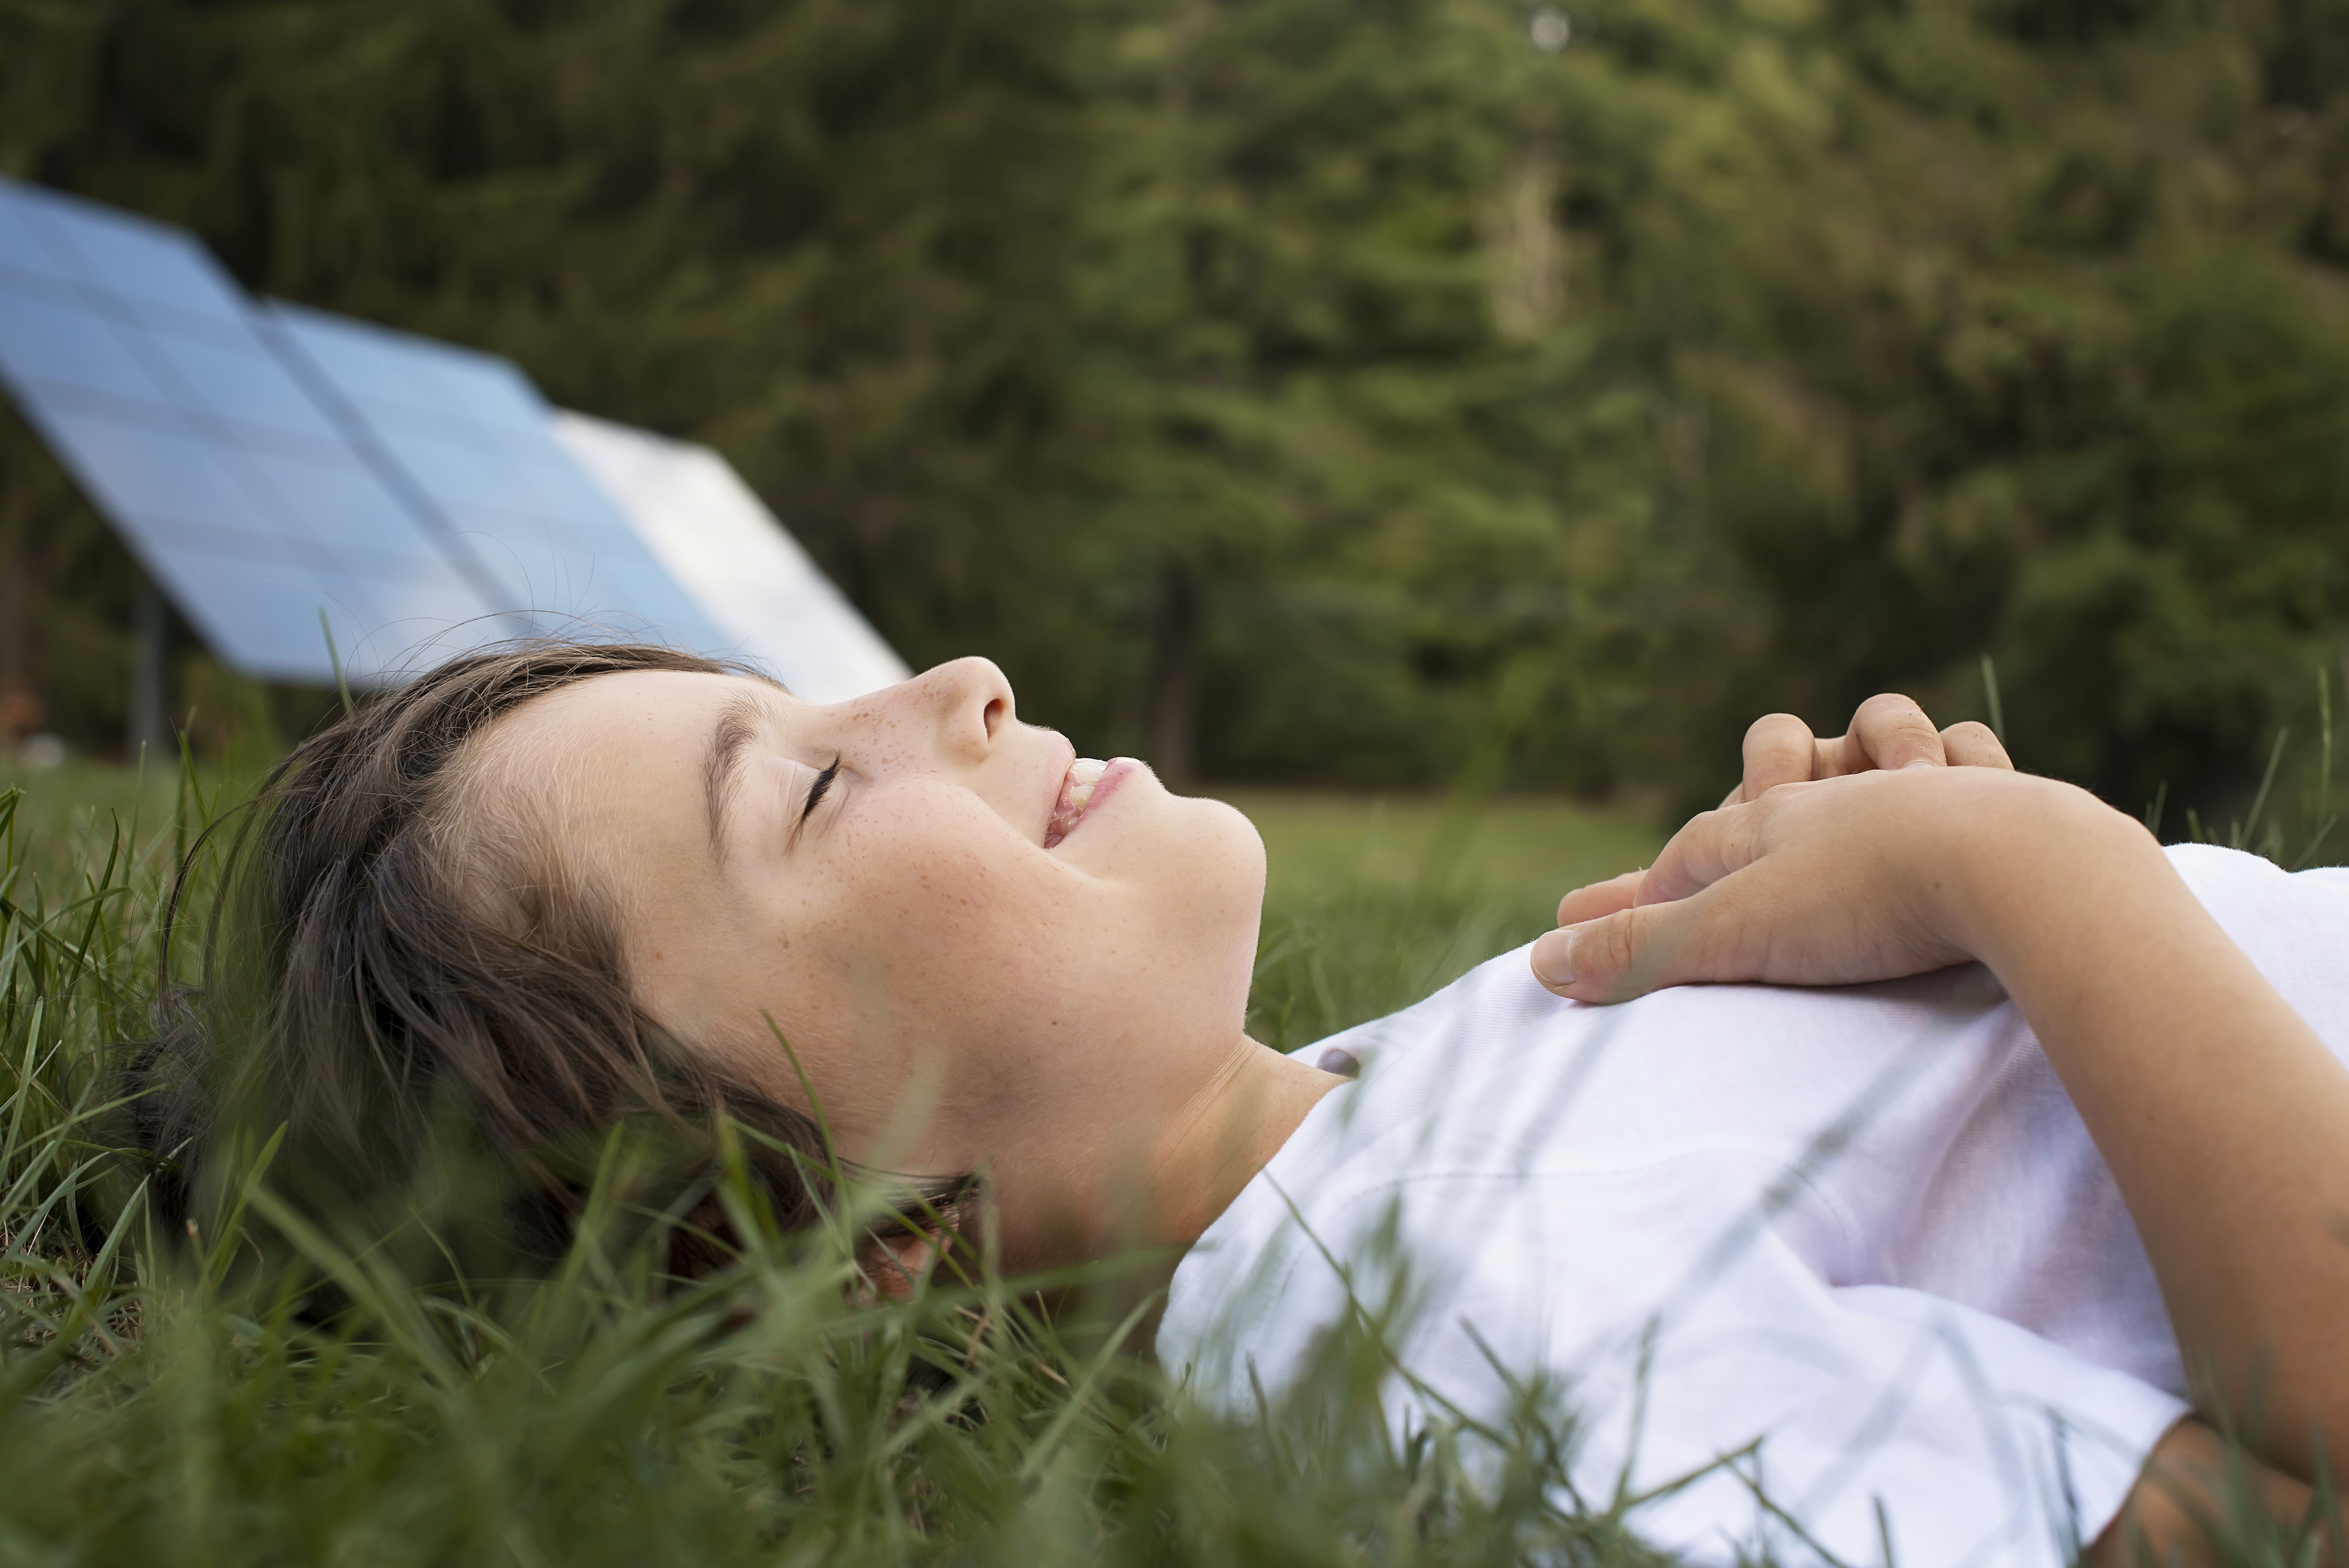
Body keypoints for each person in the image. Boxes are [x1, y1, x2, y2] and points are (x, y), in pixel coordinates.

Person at [131, 642, 2349, 1566]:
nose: (956, 685)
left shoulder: (1381, 1132)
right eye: (806, 787)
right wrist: (2034, 870)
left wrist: (1934, 933)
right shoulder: (1439, 1330)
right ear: (826, 1238)